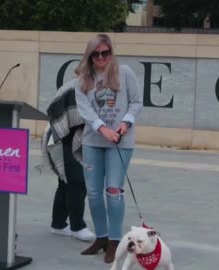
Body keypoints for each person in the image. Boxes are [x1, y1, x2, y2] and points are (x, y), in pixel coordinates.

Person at [74, 34, 143, 263]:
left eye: (106, 52)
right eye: (96, 54)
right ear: (90, 56)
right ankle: (101, 237)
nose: (101, 57)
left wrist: (125, 123)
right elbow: (85, 110)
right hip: (93, 141)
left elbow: (136, 101)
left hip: (120, 142)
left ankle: (115, 240)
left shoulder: (125, 73)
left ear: (111, 53)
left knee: (113, 191)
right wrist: (103, 129)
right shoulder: (83, 79)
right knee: (93, 193)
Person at [42, 78, 95, 242]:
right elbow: (59, 111)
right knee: (78, 183)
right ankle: (77, 226)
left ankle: (58, 224)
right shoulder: (76, 86)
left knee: (65, 183)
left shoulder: (89, 86)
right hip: (65, 138)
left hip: (70, 138)